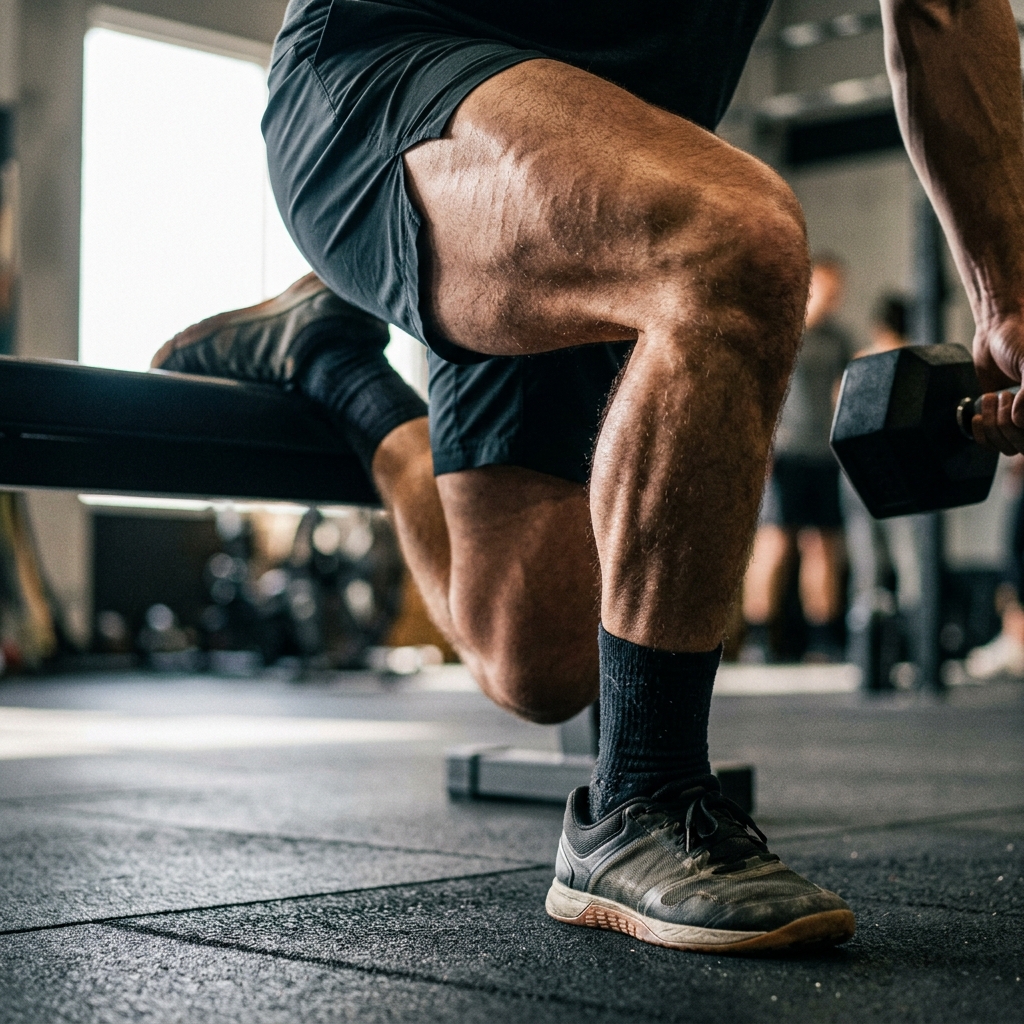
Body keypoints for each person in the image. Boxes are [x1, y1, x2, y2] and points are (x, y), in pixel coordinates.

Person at [151, 0, 1024, 954]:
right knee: (735, 238)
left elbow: (946, 12)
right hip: (384, 76)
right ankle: (642, 799)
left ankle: (333, 366)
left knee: (536, 658)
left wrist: (1010, 302)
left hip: (605, 144)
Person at [741, 257, 855, 663]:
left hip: (823, 455)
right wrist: (760, 446)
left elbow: (844, 395)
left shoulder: (839, 339)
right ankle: (758, 638)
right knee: (775, 543)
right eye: (827, 286)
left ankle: (823, 642)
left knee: (821, 546)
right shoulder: (779, 332)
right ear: (808, 286)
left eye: (838, 288)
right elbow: (758, 392)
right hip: (783, 454)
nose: (834, 295)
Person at [840, 294, 923, 685]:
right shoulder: (918, 363)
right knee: (910, 562)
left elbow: (840, 417)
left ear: (879, 326)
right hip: (905, 471)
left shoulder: (862, 361)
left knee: (868, 564)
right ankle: (914, 650)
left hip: (861, 472)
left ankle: (870, 658)